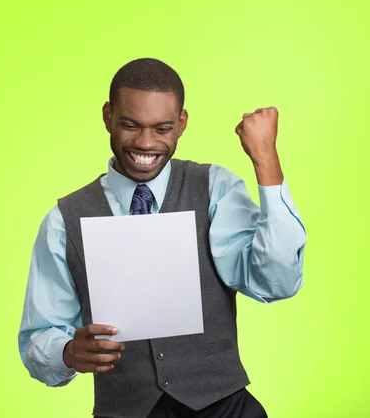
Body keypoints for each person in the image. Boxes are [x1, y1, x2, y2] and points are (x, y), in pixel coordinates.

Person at [18, 58, 307, 418]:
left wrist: (266, 160)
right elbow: (39, 337)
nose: (146, 143)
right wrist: (66, 353)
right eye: (130, 125)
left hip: (224, 409)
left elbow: (276, 284)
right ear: (107, 116)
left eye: (162, 128)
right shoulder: (64, 220)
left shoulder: (214, 189)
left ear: (182, 124)